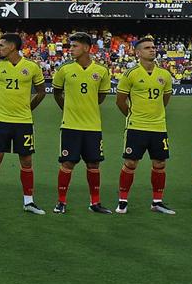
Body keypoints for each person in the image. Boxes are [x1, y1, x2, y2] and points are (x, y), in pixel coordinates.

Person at [0, 32, 46, 215]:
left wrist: (28, 108)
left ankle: (29, 202)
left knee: (26, 160)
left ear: (12, 47)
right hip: (1, 121)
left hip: (23, 122)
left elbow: (41, 92)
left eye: (2, 45)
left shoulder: (32, 67)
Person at [51, 32, 113, 214]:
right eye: (70, 46)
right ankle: (61, 202)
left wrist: (88, 107)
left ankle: (95, 203)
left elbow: (101, 96)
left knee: (94, 164)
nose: (71, 49)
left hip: (93, 126)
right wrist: (68, 109)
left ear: (86, 48)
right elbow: (57, 93)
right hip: (70, 125)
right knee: (67, 163)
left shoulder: (101, 71)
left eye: (74, 46)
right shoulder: (64, 70)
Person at [113, 36, 176, 214]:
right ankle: (122, 201)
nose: (152, 49)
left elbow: (165, 99)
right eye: (148, 47)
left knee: (160, 163)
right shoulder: (130, 74)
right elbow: (120, 101)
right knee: (131, 163)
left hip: (158, 127)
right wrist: (134, 116)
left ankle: (157, 202)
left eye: (154, 47)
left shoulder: (164, 74)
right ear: (138, 52)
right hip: (136, 127)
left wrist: (155, 114)